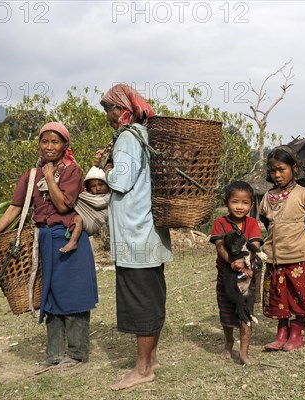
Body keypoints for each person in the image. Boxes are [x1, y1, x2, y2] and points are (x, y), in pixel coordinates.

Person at [0, 122, 99, 373]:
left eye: (55, 142)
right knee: (50, 294)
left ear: (65, 145)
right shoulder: (30, 175)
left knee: (73, 294)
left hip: (69, 238)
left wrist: (49, 175)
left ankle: (78, 354)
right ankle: (54, 355)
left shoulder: (72, 172)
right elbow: (15, 207)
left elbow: (64, 206)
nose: (49, 146)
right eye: (44, 141)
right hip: (43, 239)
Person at [95, 84, 172, 390]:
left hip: (136, 235)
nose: (107, 115)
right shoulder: (145, 135)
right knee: (151, 298)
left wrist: (107, 167)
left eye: (109, 109)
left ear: (123, 109)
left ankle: (142, 369)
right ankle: (150, 360)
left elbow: (122, 181)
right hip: (149, 234)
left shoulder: (128, 138)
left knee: (141, 302)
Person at [259, 146, 305, 352]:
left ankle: (297, 334)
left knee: (298, 294)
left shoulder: (303, 194)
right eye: (272, 170)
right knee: (278, 296)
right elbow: (265, 222)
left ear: (294, 169)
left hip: (297, 255)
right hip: (274, 257)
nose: (276, 175)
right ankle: (282, 333)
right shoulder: (267, 197)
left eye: (281, 169)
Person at [209, 181, 264, 365]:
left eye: (245, 203)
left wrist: (246, 256)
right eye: (235, 201)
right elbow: (219, 246)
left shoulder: (252, 223)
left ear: (251, 205)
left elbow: (255, 245)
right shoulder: (220, 223)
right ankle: (229, 341)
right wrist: (232, 261)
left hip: (247, 278)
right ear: (226, 202)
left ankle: (244, 352)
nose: (240, 206)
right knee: (226, 312)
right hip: (227, 278)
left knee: (246, 313)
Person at [59, 166, 110, 253]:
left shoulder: (110, 196)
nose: (98, 188)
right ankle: (72, 241)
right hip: (85, 220)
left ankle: (73, 242)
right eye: (93, 186)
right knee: (77, 219)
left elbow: (98, 203)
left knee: (78, 219)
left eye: (101, 184)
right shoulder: (87, 196)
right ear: (89, 188)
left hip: (95, 223)